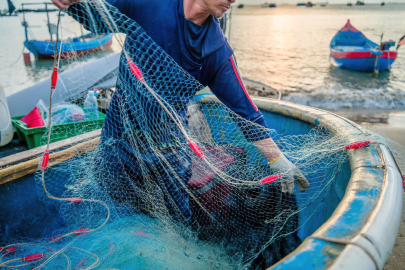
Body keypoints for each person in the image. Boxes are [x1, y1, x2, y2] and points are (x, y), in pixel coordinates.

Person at [51, 0, 310, 224]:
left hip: (169, 147)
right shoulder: (151, 4)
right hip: (119, 136)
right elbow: (98, 17)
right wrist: (74, 3)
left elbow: (243, 109)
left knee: (178, 216)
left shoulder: (216, 50)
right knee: (113, 205)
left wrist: (278, 161)